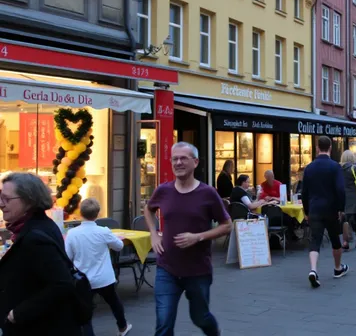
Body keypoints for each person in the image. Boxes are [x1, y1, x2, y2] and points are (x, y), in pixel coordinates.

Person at [144, 142, 232, 336]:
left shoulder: (208, 193)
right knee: (163, 323)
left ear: (195, 162)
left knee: (200, 317)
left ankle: (214, 332)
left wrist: (198, 237)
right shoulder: (163, 191)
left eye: (183, 158)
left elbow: (227, 225)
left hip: (197, 270)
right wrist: (154, 234)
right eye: (174, 159)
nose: (178, 162)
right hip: (167, 268)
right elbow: (149, 209)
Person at [0, 172, 82, 335]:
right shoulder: (40, 225)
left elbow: (61, 283)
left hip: (39, 326)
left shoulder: (35, 237)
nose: (1, 204)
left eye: (7, 199)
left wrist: (17, 314)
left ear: (29, 200)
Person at [66, 198, 132, 336]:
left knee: (85, 313)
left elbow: (68, 256)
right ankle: (122, 326)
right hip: (104, 278)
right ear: (97, 214)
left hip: (83, 280)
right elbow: (119, 246)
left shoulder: (72, 234)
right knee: (114, 303)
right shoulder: (104, 231)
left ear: (80, 212)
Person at [302, 136, 349, 288]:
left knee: (315, 240)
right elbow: (340, 190)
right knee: (335, 239)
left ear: (317, 148)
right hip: (331, 209)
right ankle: (337, 268)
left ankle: (313, 270)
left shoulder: (309, 167)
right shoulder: (335, 167)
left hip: (314, 208)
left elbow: (304, 192)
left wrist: (307, 210)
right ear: (330, 148)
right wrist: (341, 208)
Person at [339, 150, 356, 249]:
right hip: (355, 196)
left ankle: (345, 241)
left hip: (343, 196)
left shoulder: (339, 168)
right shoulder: (354, 167)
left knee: (345, 218)